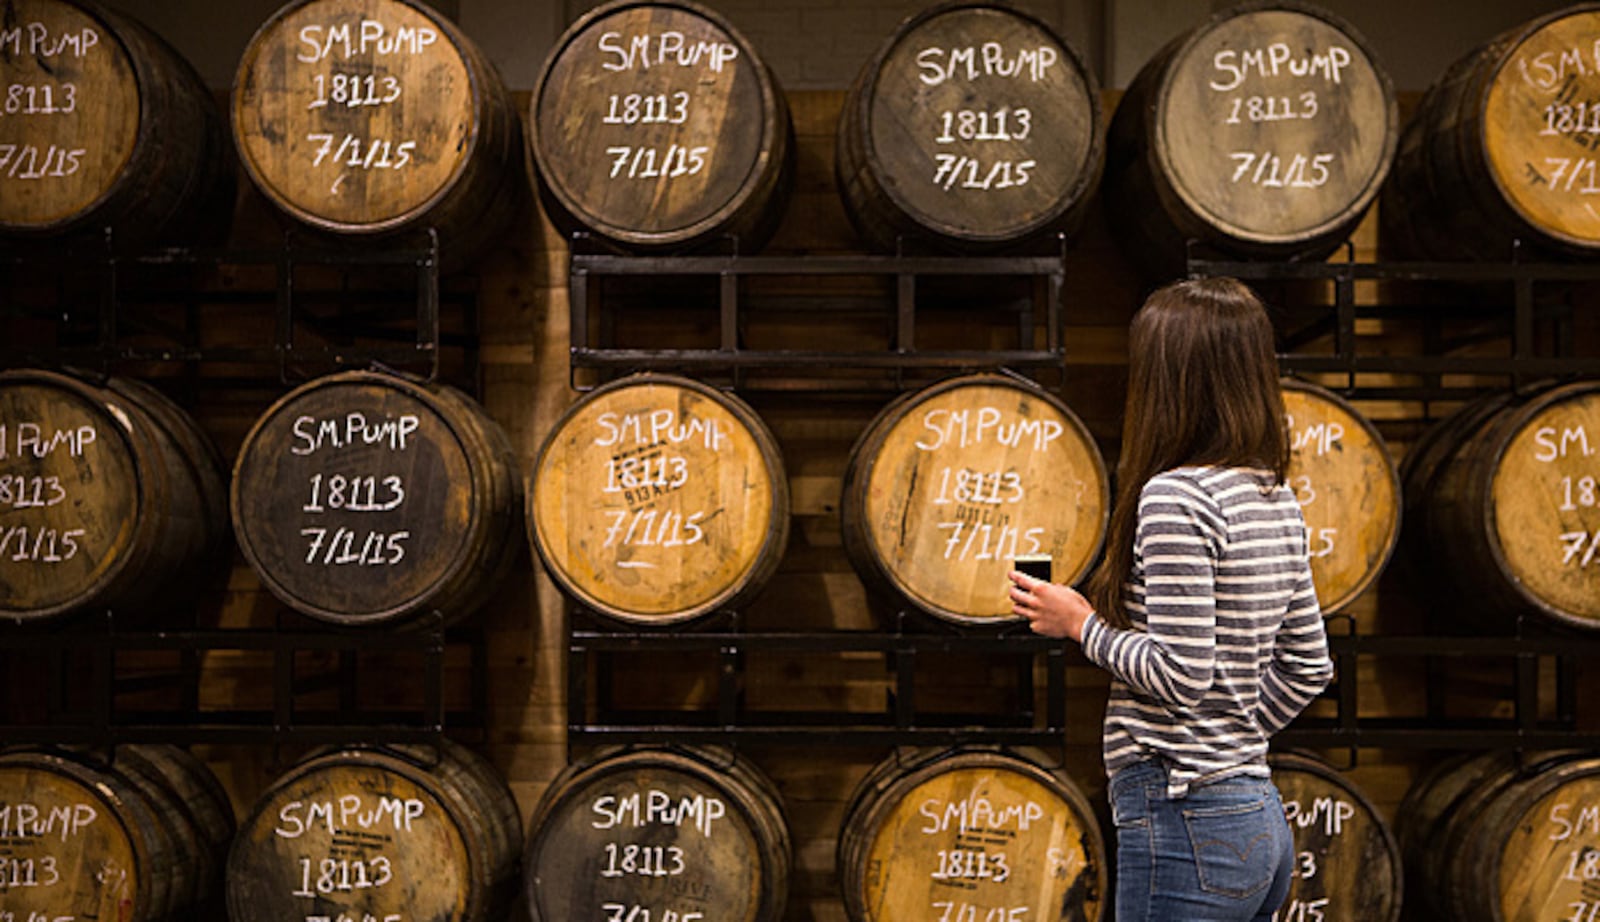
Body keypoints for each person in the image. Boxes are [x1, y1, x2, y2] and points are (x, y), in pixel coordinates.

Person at [1007, 277, 1334, 922]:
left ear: (1169, 377)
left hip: (1186, 816)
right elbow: (1309, 666)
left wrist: (1079, 624)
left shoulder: (1176, 498)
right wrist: (1229, 743)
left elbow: (1182, 676)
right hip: (1257, 820)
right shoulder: (1274, 496)